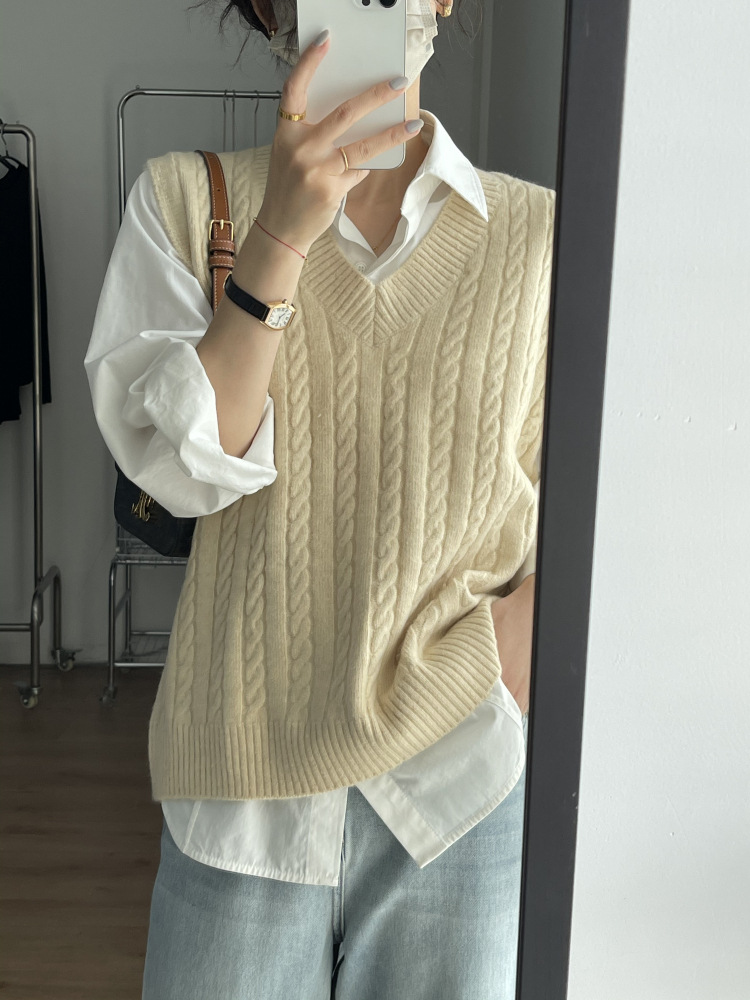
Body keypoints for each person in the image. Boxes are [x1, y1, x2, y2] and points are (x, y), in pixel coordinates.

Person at [83, 1, 555, 997]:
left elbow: (594, 490)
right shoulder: (184, 203)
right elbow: (177, 475)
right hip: (242, 783)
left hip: (461, 773)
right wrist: (279, 239)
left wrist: (523, 643)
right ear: (272, 6)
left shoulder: (539, 236)